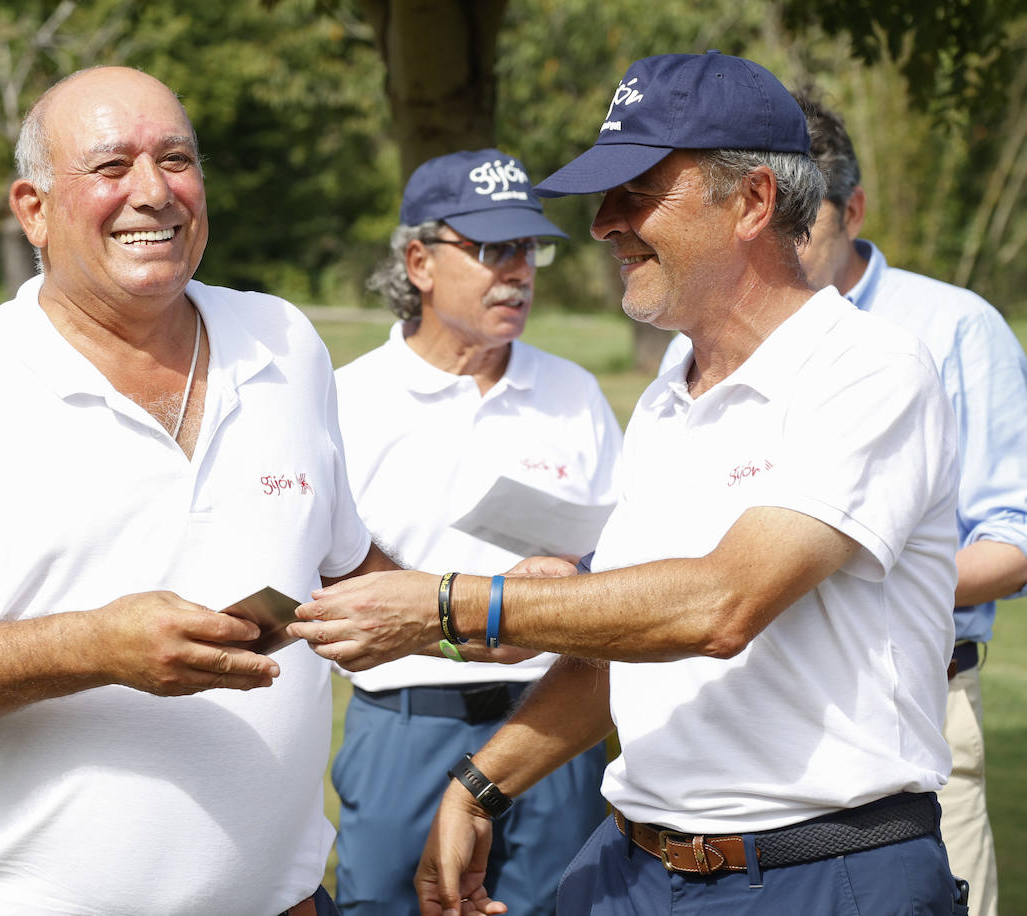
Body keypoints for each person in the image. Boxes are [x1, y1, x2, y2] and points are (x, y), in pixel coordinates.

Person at [289, 51, 968, 915]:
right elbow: (623, 645)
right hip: (634, 866)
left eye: (638, 191)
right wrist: (480, 783)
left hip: (817, 874)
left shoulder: (869, 370)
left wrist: (453, 602)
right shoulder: (668, 395)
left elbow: (721, 607)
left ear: (754, 200)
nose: (606, 223)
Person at [0, 66, 398, 916]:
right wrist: (96, 646)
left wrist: (496, 601)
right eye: (109, 167)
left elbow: (354, 576)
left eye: (175, 159)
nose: (153, 192)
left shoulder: (284, 341)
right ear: (33, 209)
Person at [331, 148, 622, 915]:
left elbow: (627, 558)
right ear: (419, 261)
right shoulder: (346, 402)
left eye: (529, 248)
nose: (519, 271)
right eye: (493, 249)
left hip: (552, 728)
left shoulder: (575, 392)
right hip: (406, 723)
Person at [790, 93, 1027, 916]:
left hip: (917, 701)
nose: (780, 249)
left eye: (802, 224)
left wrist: (824, 579)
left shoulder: (958, 328)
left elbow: (1016, 539)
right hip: (764, 713)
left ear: (851, 209)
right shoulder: (710, 337)